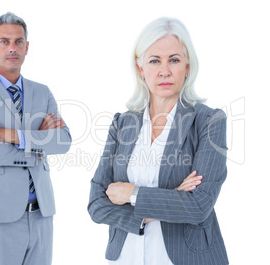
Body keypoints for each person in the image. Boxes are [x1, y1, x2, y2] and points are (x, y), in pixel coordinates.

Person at [88, 17, 228, 265]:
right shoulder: (123, 124)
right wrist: (173, 197)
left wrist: (132, 194)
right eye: (154, 61)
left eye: (174, 60)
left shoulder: (209, 121)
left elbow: (198, 206)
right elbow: (97, 204)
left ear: (187, 66)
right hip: (126, 257)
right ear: (140, 68)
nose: (165, 70)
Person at [0, 12, 71, 265]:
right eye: (4, 41)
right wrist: (39, 142)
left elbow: (63, 141)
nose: (12, 48)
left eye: (19, 41)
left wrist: (12, 136)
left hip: (42, 215)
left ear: (27, 47)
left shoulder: (42, 92)